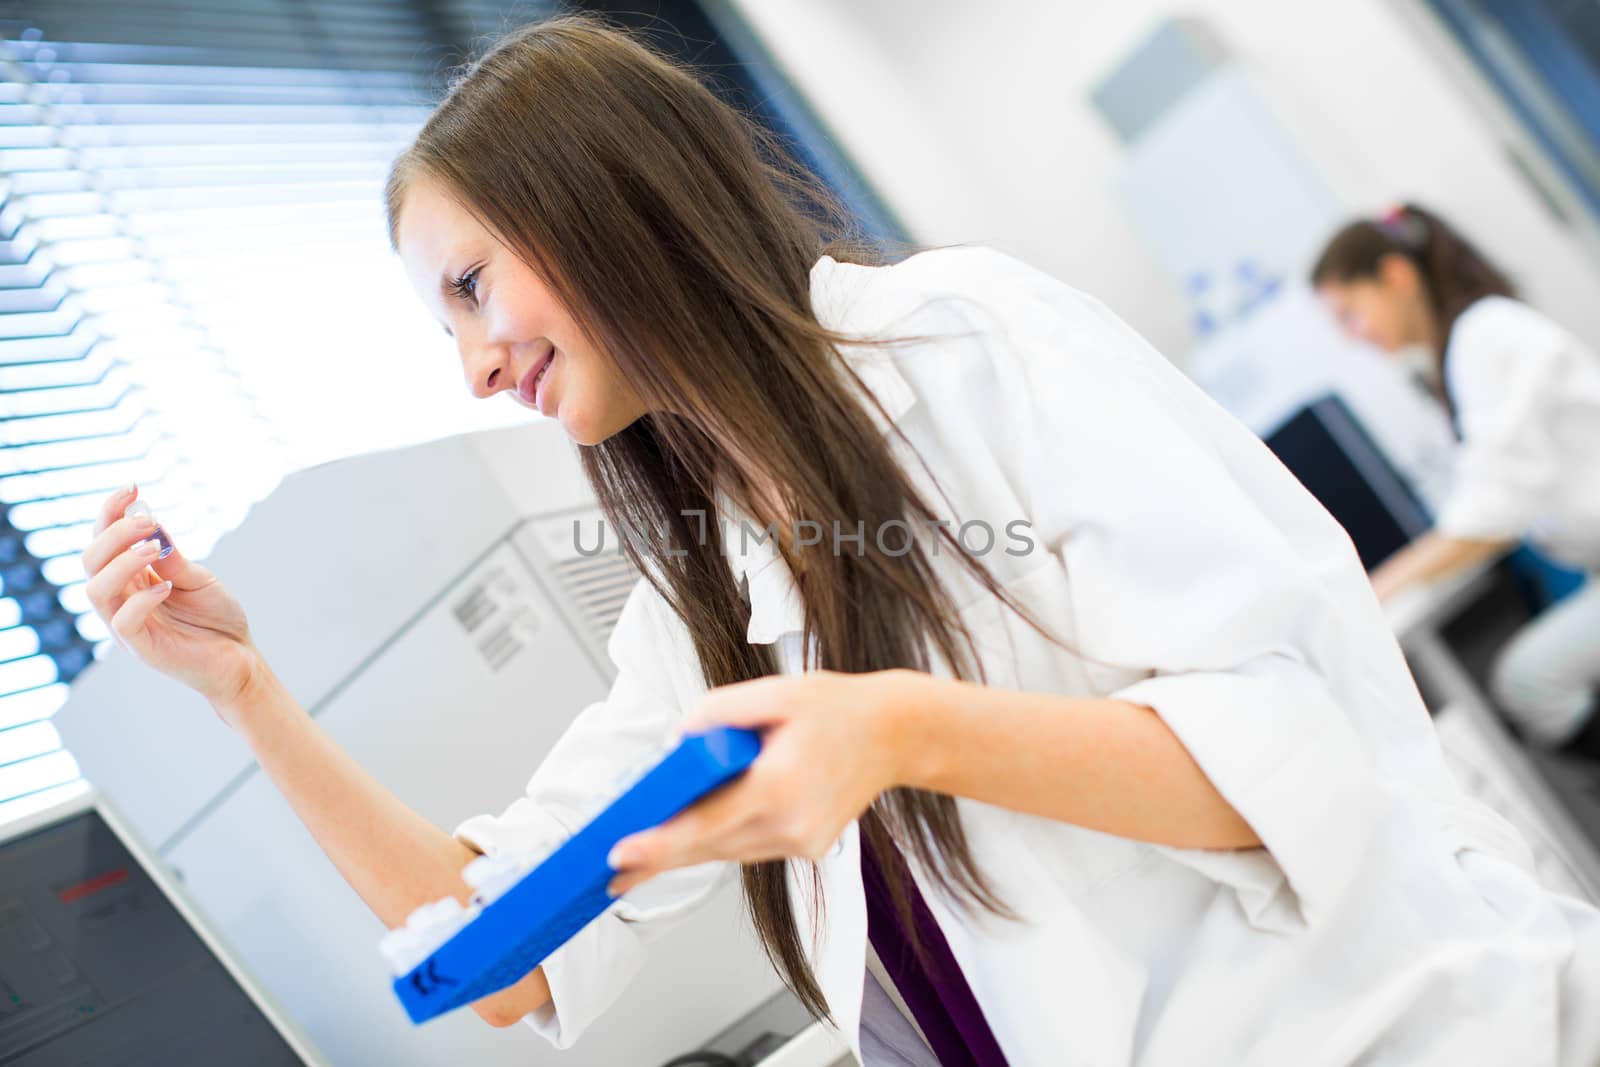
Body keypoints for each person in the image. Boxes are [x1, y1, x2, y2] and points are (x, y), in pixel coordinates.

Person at [82, 18, 1600, 1067]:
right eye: (447, 320)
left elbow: (1299, 752)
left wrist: (898, 728)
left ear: (603, 198)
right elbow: (507, 953)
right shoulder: (705, 605)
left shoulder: (965, 343)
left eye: (473, 283)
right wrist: (244, 693)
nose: (474, 362)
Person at [1312, 203, 1600, 754]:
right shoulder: (1468, 343)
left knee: (1532, 681)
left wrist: (1372, 592)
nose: (1355, 335)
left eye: (1351, 312)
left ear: (1395, 276)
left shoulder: (1481, 335)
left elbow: (1490, 515)